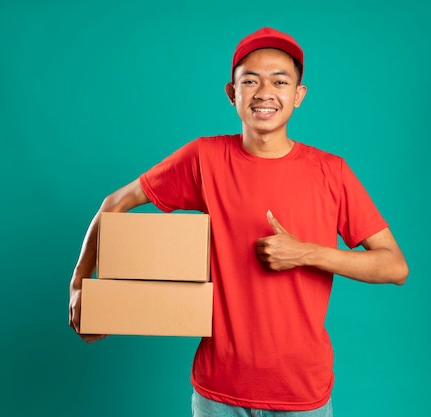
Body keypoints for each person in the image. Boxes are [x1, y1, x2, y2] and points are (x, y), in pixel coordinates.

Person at [69, 27, 409, 416]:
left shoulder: (331, 172)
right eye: (251, 80)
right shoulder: (204, 158)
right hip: (217, 393)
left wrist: (306, 253)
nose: (265, 92)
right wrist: (80, 286)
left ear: (298, 96)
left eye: (280, 81)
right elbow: (115, 202)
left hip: (301, 393)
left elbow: (394, 266)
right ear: (233, 93)